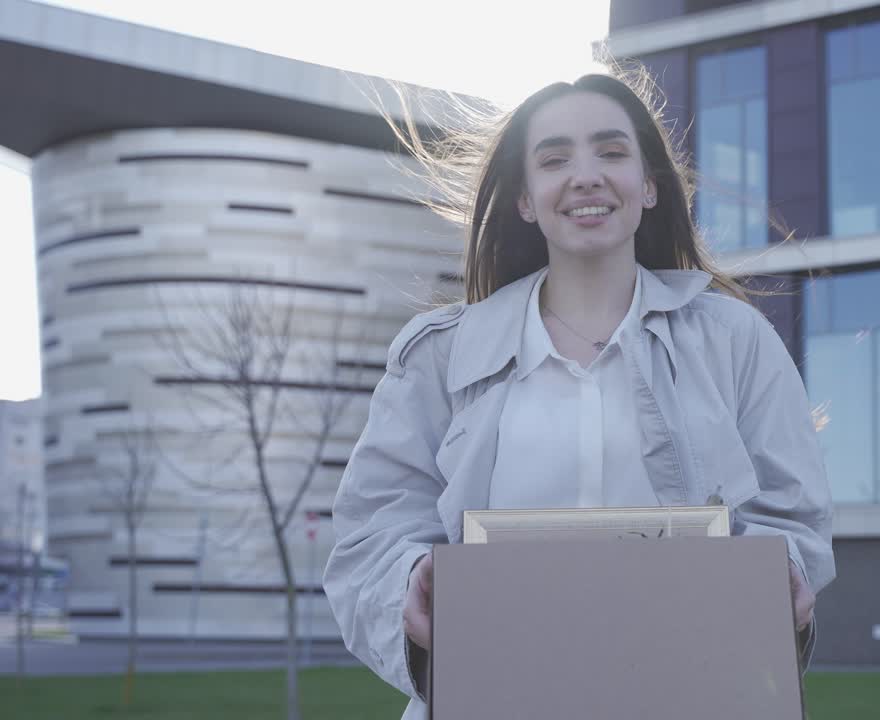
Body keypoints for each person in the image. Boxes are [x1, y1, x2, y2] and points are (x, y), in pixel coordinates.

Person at [322, 66, 834, 719]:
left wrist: (776, 576)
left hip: (684, 697)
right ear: (526, 200)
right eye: (555, 158)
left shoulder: (737, 340)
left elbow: (795, 518)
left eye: (612, 152)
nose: (585, 174)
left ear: (649, 187)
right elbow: (373, 531)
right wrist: (410, 583)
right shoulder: (437, 355)